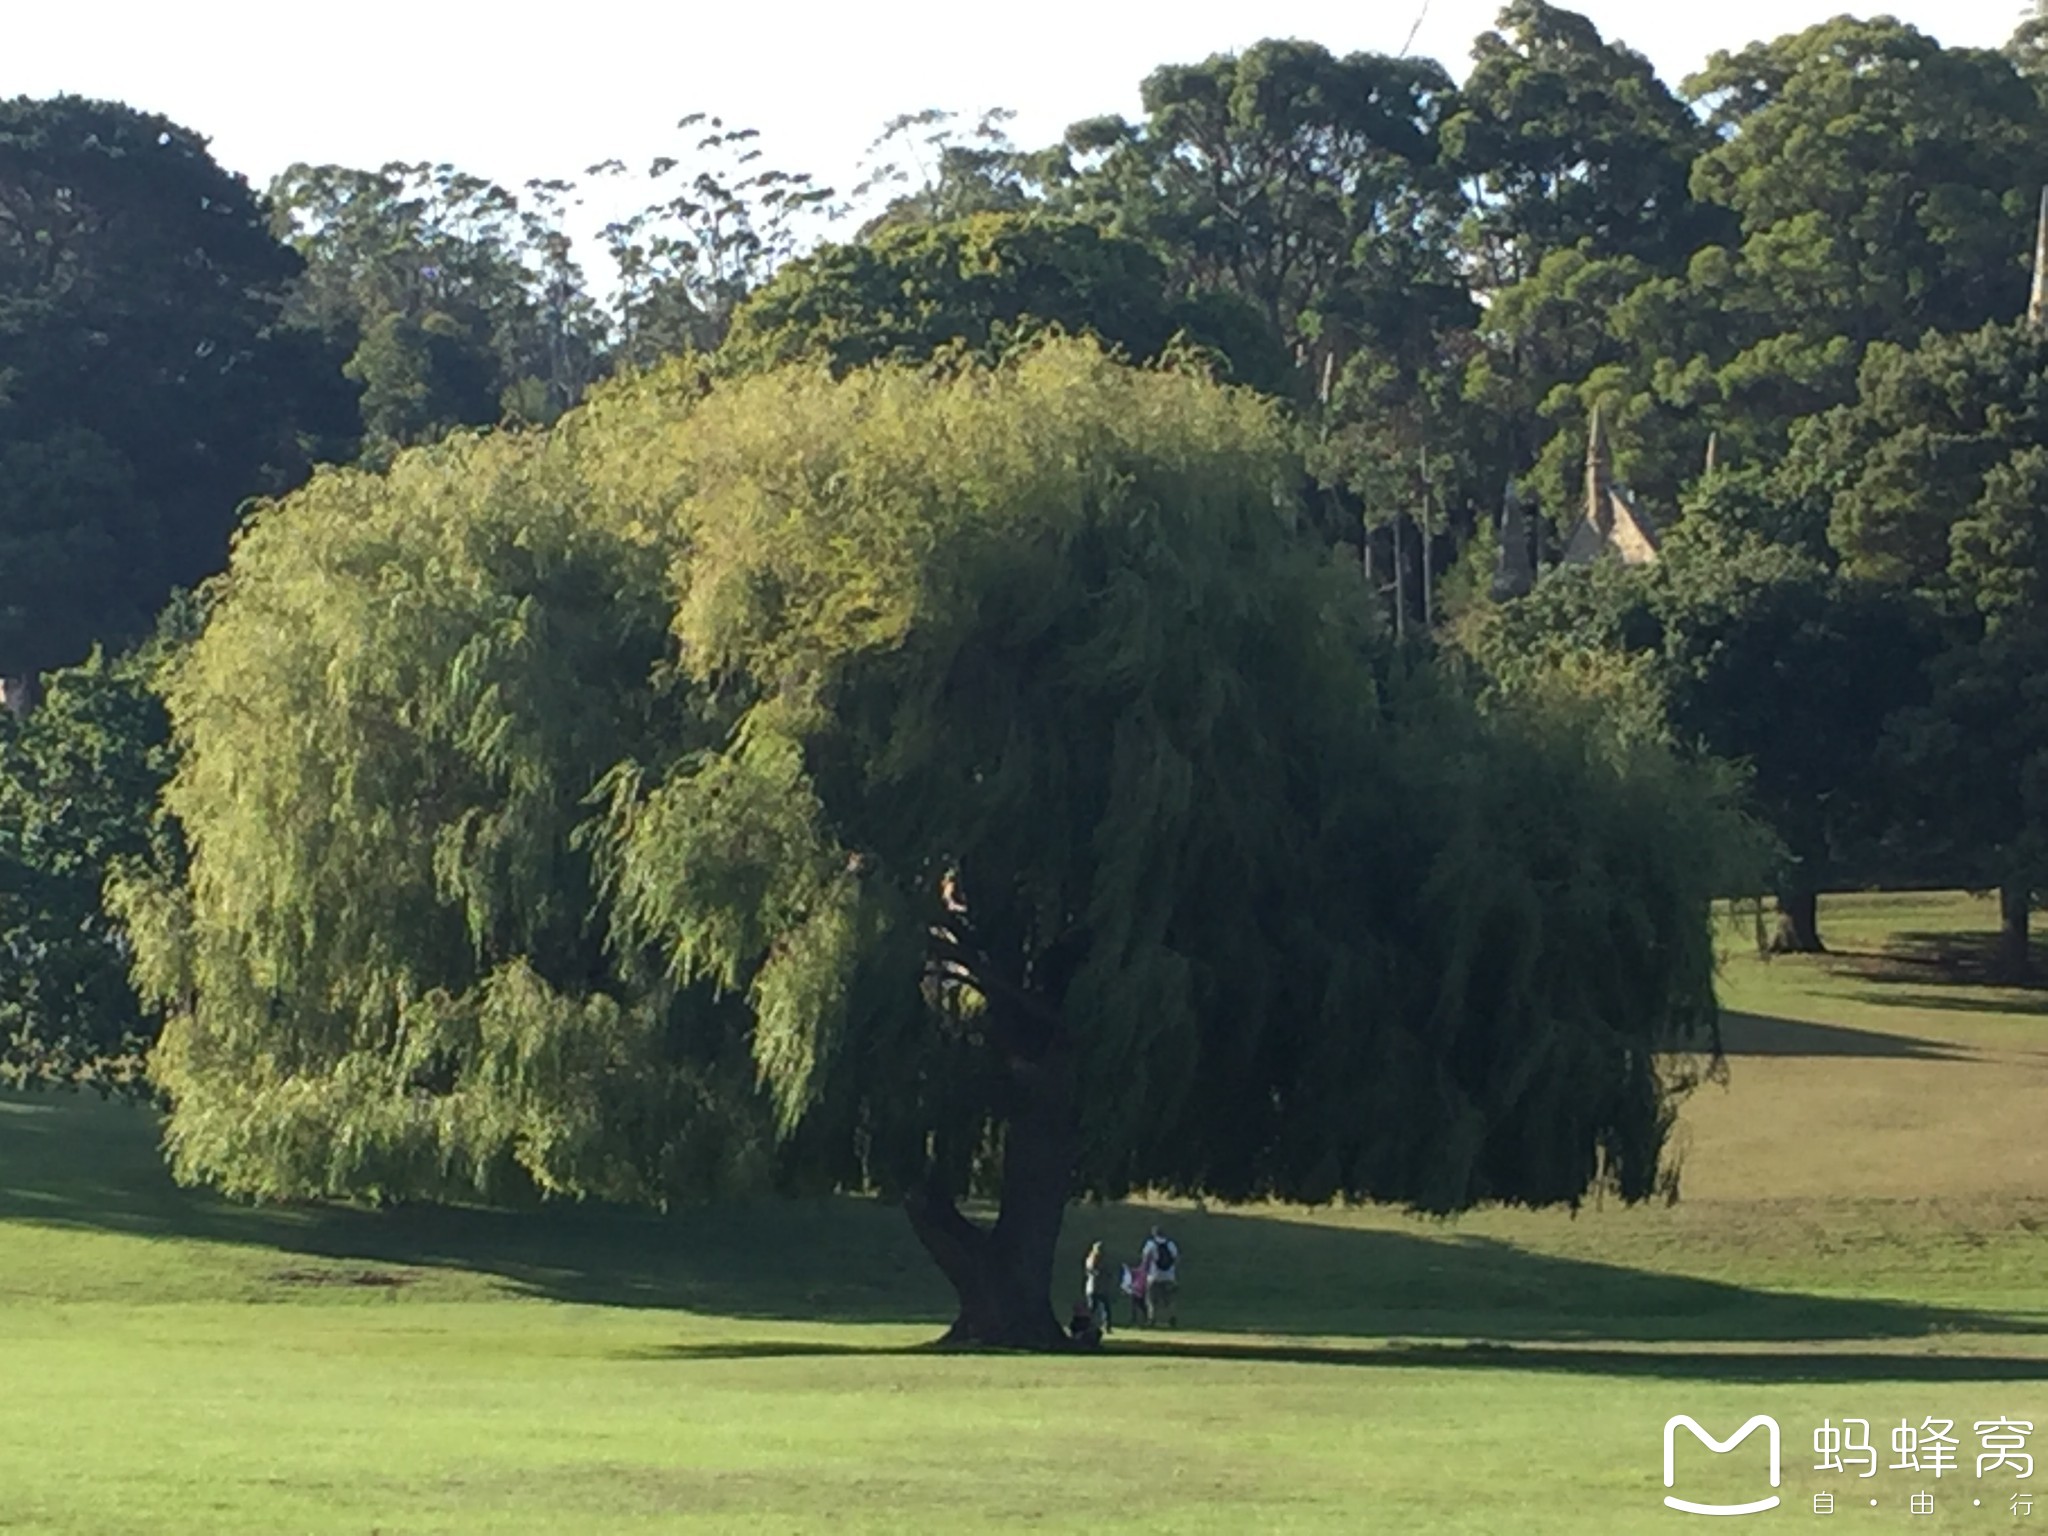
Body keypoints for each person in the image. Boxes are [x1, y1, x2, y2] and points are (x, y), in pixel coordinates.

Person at [1141, 1226, 1179, 1327]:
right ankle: (1172, 1317)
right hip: (1169, 1276)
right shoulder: (1171, 1244)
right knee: (1169, 1299)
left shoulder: (1150, 1244)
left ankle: (1152, 1318)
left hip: (1154, 1276)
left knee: (1152, 1299)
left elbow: (1146, 1259)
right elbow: (1176, 1259)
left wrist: (1144, 1271)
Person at [1084, 1240, 1113, 1334]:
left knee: (1105, 1308)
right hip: (1094, 1287)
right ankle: (1088, 1325)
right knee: (1092, 1308)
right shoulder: (1092, 1259)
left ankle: (1106, 1326)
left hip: (1100, 1288)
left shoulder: (1102, 1260)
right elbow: (1092, 1271)